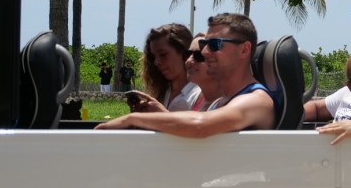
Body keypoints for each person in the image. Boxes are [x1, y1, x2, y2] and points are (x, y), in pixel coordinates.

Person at [97, 13, 276, 137]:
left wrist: (133, 119)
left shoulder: (256, 100)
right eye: (204, 45)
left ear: (244, 50)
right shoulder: (219, 102)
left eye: (215, 44)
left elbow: (200, 125)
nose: (204, 52)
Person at [130, 24, 201, 112]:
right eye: (153, 57)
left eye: (163, 55)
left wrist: (161, 113)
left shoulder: (200, 94)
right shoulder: (161, 93)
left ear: (184, 53)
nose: (156, 62)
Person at [185, 34, 221, 111]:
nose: (188, 61)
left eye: (198, 55)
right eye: (188, 54)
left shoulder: (227, 102)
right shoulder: (199, 98)